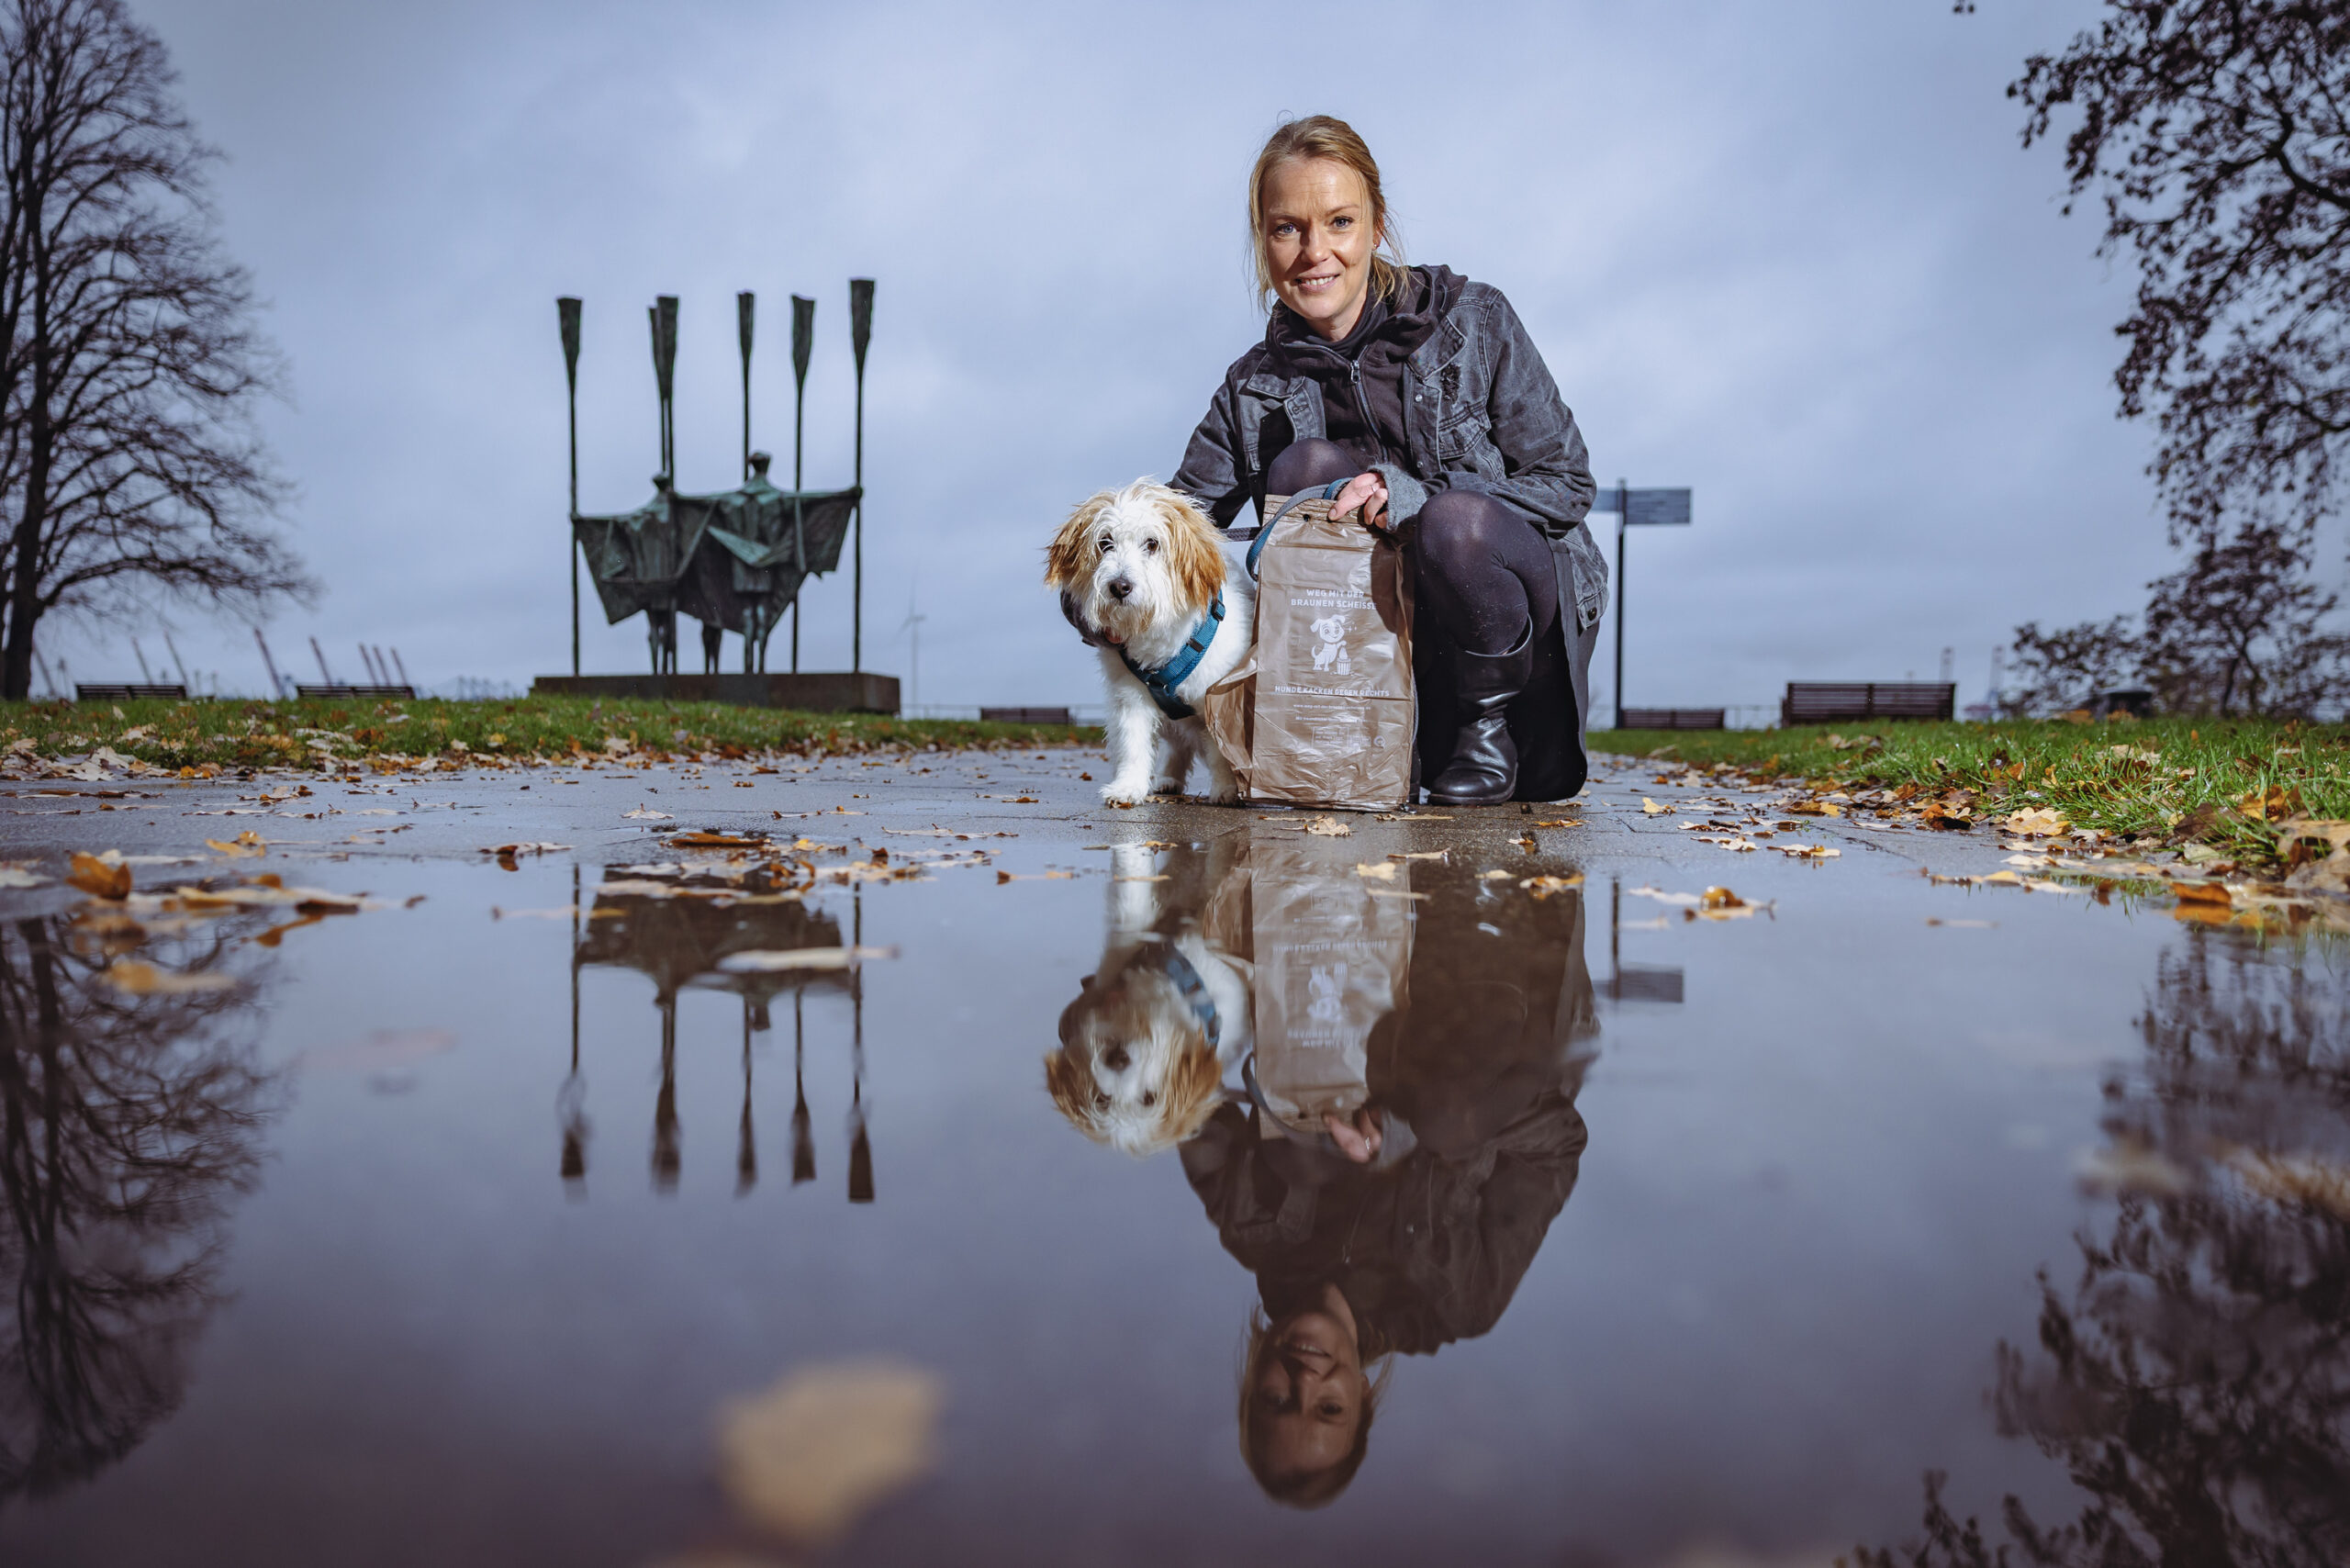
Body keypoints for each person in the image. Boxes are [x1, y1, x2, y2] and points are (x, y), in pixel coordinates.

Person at [1171, 116, 1610, 805]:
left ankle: (1483, 730)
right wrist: (1102, 578)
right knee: (1303, 469)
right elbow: (1179, 523)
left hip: (1501, 645)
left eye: (1339, 222)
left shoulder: (1478, 321)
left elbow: (1566, 484)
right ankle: (1335, 728)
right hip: (1358, 679)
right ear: (1263, 241)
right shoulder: (1252, 385)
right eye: (1287, 228)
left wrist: (1410, 494)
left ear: (1375, 227)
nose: (1315, 252)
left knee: (1453, 522)